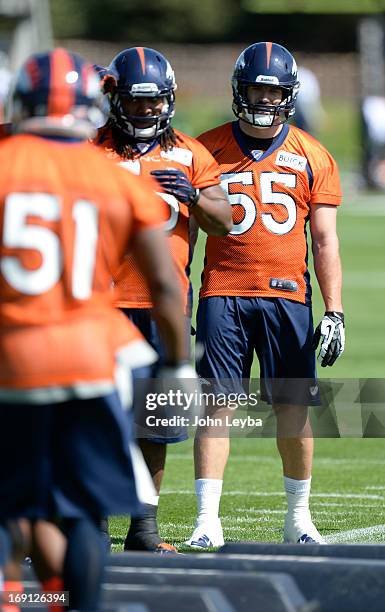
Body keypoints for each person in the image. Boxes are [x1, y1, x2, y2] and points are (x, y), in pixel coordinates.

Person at [0, 47, 194, 611]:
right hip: (90, 355)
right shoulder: (114, 177)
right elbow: (164, 286)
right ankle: (81, 604)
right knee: (86, 507)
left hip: (11, 355)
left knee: (10, 501)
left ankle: (12, 599)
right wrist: (179, 364)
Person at [186, 42, 345, 548]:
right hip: (223, 293)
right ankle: (207, 520)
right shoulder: (205, 149)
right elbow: (184, 236)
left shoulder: (312, 153)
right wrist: (179, 296)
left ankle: (298, 517)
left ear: (289, 95)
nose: (264, 99)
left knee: (293, 409)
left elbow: (324, 240)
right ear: (239, 90)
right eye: (256, 88)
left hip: (288, 297)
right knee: (217, 406)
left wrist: (335, 310)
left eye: (274, 91)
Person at [94, 46, 232, 553]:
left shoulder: (192, 154)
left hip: (163, 310)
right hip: (97, 308)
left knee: (157, 423)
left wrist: (195, 197)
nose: (147, 111)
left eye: (155, 103)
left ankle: (142, 529)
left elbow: (226, 221)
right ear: (115, 101)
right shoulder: (89, 147)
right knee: (94, 420)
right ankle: (88, 525)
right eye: (135, 102)